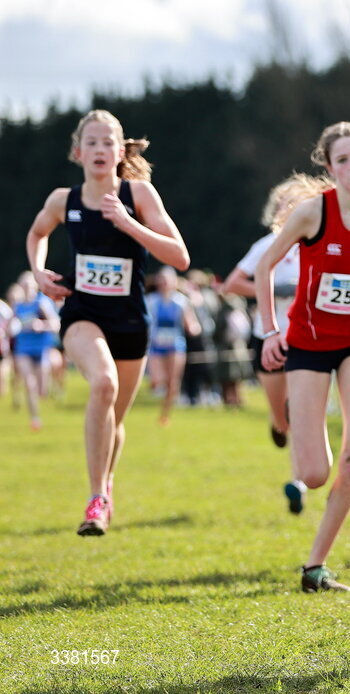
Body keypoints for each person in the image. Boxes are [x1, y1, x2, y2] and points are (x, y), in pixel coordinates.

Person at [26, 109, 190, 536]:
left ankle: (107, 483)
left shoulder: (140, 196)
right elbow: (37, 233)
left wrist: (129, 224)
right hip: (83, 314)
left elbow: (180, 257)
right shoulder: (65, 200)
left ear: (120, 152)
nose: (100, 149)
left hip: (131, 321)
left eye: (108, 142)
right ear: (78, 152)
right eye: (92, 142)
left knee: (114, 422)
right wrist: (39, 271)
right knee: (103, 384)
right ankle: (96, 498)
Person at [255, 121, 350, 593]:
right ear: (329, 167)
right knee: (316, 475)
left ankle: (315, 565)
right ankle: (295, 415)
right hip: (308, 345)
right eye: (343, 160)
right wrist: (268, 332)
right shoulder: (312, 214)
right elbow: (264, 266)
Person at [224, 174, 333, 448]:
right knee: (281, 415)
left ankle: (299, 480)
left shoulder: (320, 241)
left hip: (306, 337)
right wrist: (276, 289)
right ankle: (277, 423)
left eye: (299, 203)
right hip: (269, 336)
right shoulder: (266, 245)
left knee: (301, 411)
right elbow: (231, 284)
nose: (292, 209)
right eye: (286, 203)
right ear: (277, 209)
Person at [145, 266, 200, 426]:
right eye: (161, 279)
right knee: (157, 380)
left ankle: (165, 414)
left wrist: (194, 329)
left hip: (175, 345)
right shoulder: (151, 300)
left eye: (167, 280)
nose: (163, 283)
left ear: (174, 282)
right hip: (156, 345)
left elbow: (190, 323)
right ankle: (158, 391)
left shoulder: (181, 301)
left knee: (172, 382)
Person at [9, 275, 60, 430]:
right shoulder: (17, 307)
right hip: (23, 350)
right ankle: (35, 419)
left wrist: (41, 325)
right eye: (24, 286)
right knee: (29, 384)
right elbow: (10, 326)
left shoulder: (41, 303)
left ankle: (46, 393)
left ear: (35, 287)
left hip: (41, 349)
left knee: (41, 390)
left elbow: (55, 324)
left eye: (29, 286)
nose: (26, 289)